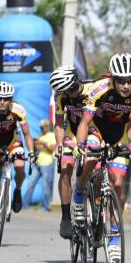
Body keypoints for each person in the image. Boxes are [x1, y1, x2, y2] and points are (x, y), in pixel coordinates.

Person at [72, 53, 131, 263]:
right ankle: (79, 193)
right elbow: (84, 122)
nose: (125, 86)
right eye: (121, 81)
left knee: (117, 183)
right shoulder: (99, 88)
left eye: (130, 80)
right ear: (113, 79)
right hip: (97, 130)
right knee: (92, 150)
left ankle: (113, 237)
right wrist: (80, 146)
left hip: (119, 136)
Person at [0, 81, 37, 232]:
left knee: (20, 166)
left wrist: (30, 152)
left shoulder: (19, 110)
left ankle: (17, 190)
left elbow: (27, 134)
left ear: (11, 100)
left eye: (6, 99)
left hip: (12, 142)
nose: (2, 102)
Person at [50, 65, 91, 238]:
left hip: (94, 131)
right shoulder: (61, 96)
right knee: (65, 166)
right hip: (72, 133)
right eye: (67, 91)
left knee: (94, 164)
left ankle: (97, 207)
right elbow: (59, 123)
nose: (71, 94)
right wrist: (59, 144)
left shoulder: (93, 90)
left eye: (72, 89)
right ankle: (66, 216)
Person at [22, 119, 56, 212]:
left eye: (42, 127)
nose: (41, 129)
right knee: (31, 183)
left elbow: (53, 149)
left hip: (47, 163)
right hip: (38, 163)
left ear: (47, 127)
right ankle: (25, 204)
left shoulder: (52, 136)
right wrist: (36, 144)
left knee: (46, 186)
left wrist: (43, 144)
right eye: (40, 128)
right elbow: (37, 148)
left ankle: (46, 206)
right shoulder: (40, 136)